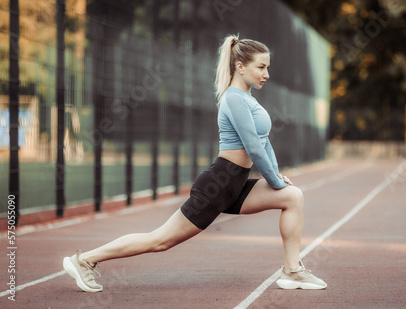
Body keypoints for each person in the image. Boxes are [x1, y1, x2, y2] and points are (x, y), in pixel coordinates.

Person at [63, 34, 327, 292]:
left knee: (292, 197)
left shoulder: (248, 99)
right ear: (240, 66)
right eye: (261, 67)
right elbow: (254, 148)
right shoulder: (233, 98)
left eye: (267, 67)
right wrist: (273, 180)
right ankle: (84, 259)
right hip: (217, 184)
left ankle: (292, 271)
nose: (266, 74)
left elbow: (264, 142)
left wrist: (277, 176)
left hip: (234, 183)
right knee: (160, 241)